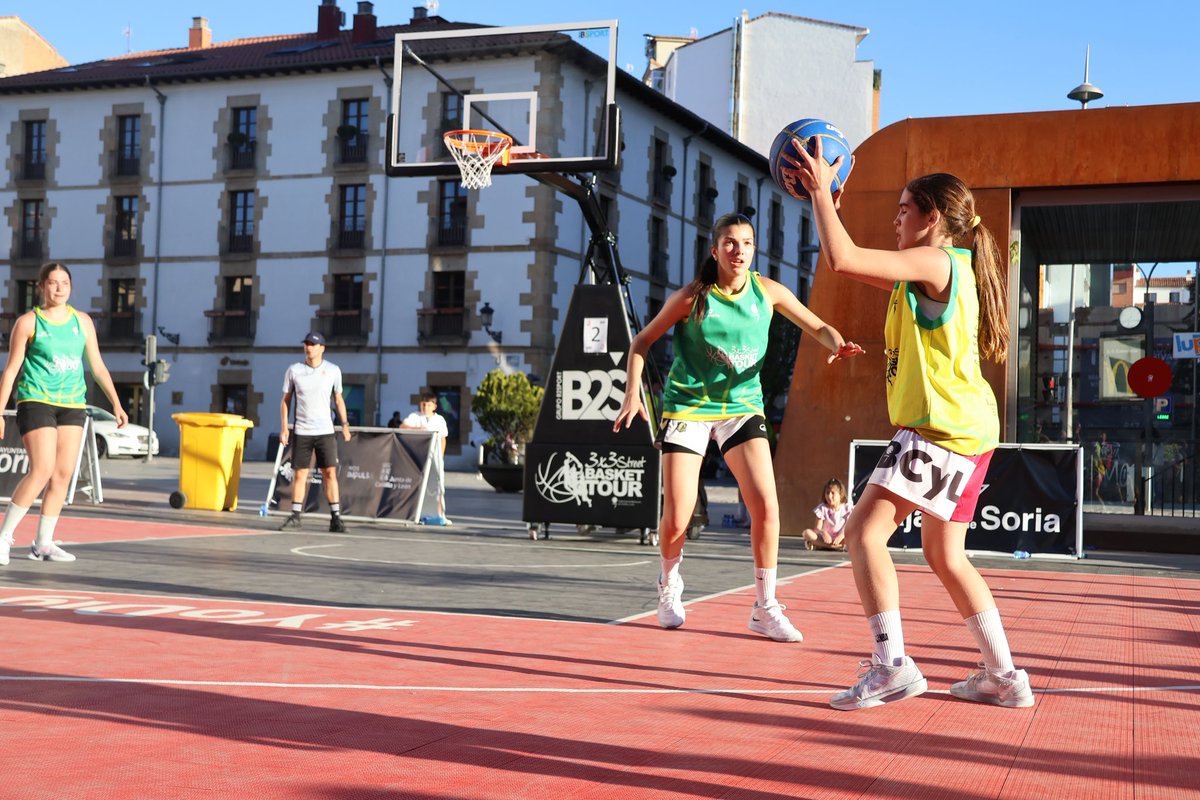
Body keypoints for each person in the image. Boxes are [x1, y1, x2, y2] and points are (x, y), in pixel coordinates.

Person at [791, 148, 1034, 709]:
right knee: (947, 557)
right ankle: (1004, 675)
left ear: (932, 219)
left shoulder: (938, 262)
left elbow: (842, 259)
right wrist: (830, 206)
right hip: (967, 429)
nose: (895, 219)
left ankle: (891, 665)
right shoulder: (937, 271)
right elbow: (855, 259)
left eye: (904, 210)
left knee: (861, 534)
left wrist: (821, 194)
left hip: (941, 431)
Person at [613, 211, 863, 642]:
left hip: (742, 407)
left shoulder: (767, 291)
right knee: (678, 516)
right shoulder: (694, 298)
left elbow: (816, 324)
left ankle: (765, 607)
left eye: (746, 243)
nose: (739, 251)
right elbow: (641, 342)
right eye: (730, 243)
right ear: (715, 250)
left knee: (766, 503)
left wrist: (837, 344)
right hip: (689, 406)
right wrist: (633, 392)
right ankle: (669, 583)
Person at [0, 262, 128, 564]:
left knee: (62, 474)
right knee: (42, 469)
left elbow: (97, 366)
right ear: (41, 286)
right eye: (53, 283)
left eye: (65, 283)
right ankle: (4, 536)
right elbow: (11, 370)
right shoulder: (29, 323)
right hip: (36, 400)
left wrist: (117, 404)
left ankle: (43, 544)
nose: (59, 288)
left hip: (72, 403)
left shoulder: (82, 322)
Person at [278, 332, 351, 532]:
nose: (309, 347)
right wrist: (284, 428)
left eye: (313, 344)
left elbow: (338, 399)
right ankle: (295, 516)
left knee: (330, 473)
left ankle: (336, 518)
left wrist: (344, 424)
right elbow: (285, 401)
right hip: (302, 430)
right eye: (307, 344)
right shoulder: (294, 370)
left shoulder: (333, 370)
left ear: (322, 348)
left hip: (325, 431)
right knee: (300, 474)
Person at [401, 391, 450, 525]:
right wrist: (417, 429)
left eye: (428, 405)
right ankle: (417, 514)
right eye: (423, 404)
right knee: (419, 485)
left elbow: (443, 439)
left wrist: (441, 456)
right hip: (418, 457)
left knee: (438, 485)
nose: (425, 407)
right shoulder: (415, 416)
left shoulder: (439, 420)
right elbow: (403, 426)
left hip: (435, 457)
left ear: (434, 406)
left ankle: (440, 514)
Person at [801, 477, 852, 551]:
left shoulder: (847, 509)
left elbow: (849, 527)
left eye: (833, 493)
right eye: (827, 493)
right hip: (826, 539)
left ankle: (820, 545)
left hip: (841, 538)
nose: (829, 496)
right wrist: (824, 533)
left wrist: (841, 536)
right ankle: (834, 547)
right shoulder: (822, 508)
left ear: (840, 494)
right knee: (807, 533)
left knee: (854, 537)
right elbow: (817, 528)